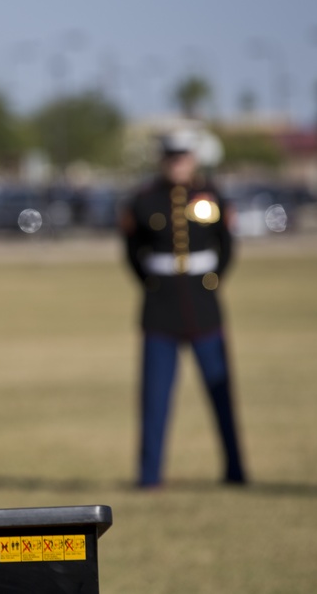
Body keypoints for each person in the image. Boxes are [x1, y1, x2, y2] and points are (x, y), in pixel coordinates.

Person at [120, 129, 246, 488]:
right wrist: (150, 283)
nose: (178, 164)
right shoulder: (143, 200)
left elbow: (226, 245)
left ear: (193, 159)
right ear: (163, 160)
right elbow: (131, 250)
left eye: (184, 157)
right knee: (155, 398)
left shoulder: (212, 196)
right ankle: (149, 476)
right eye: (172, 158)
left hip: (203, 306)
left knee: (221, 394)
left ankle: (235, 471)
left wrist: (213, 280)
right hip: (160, 309)